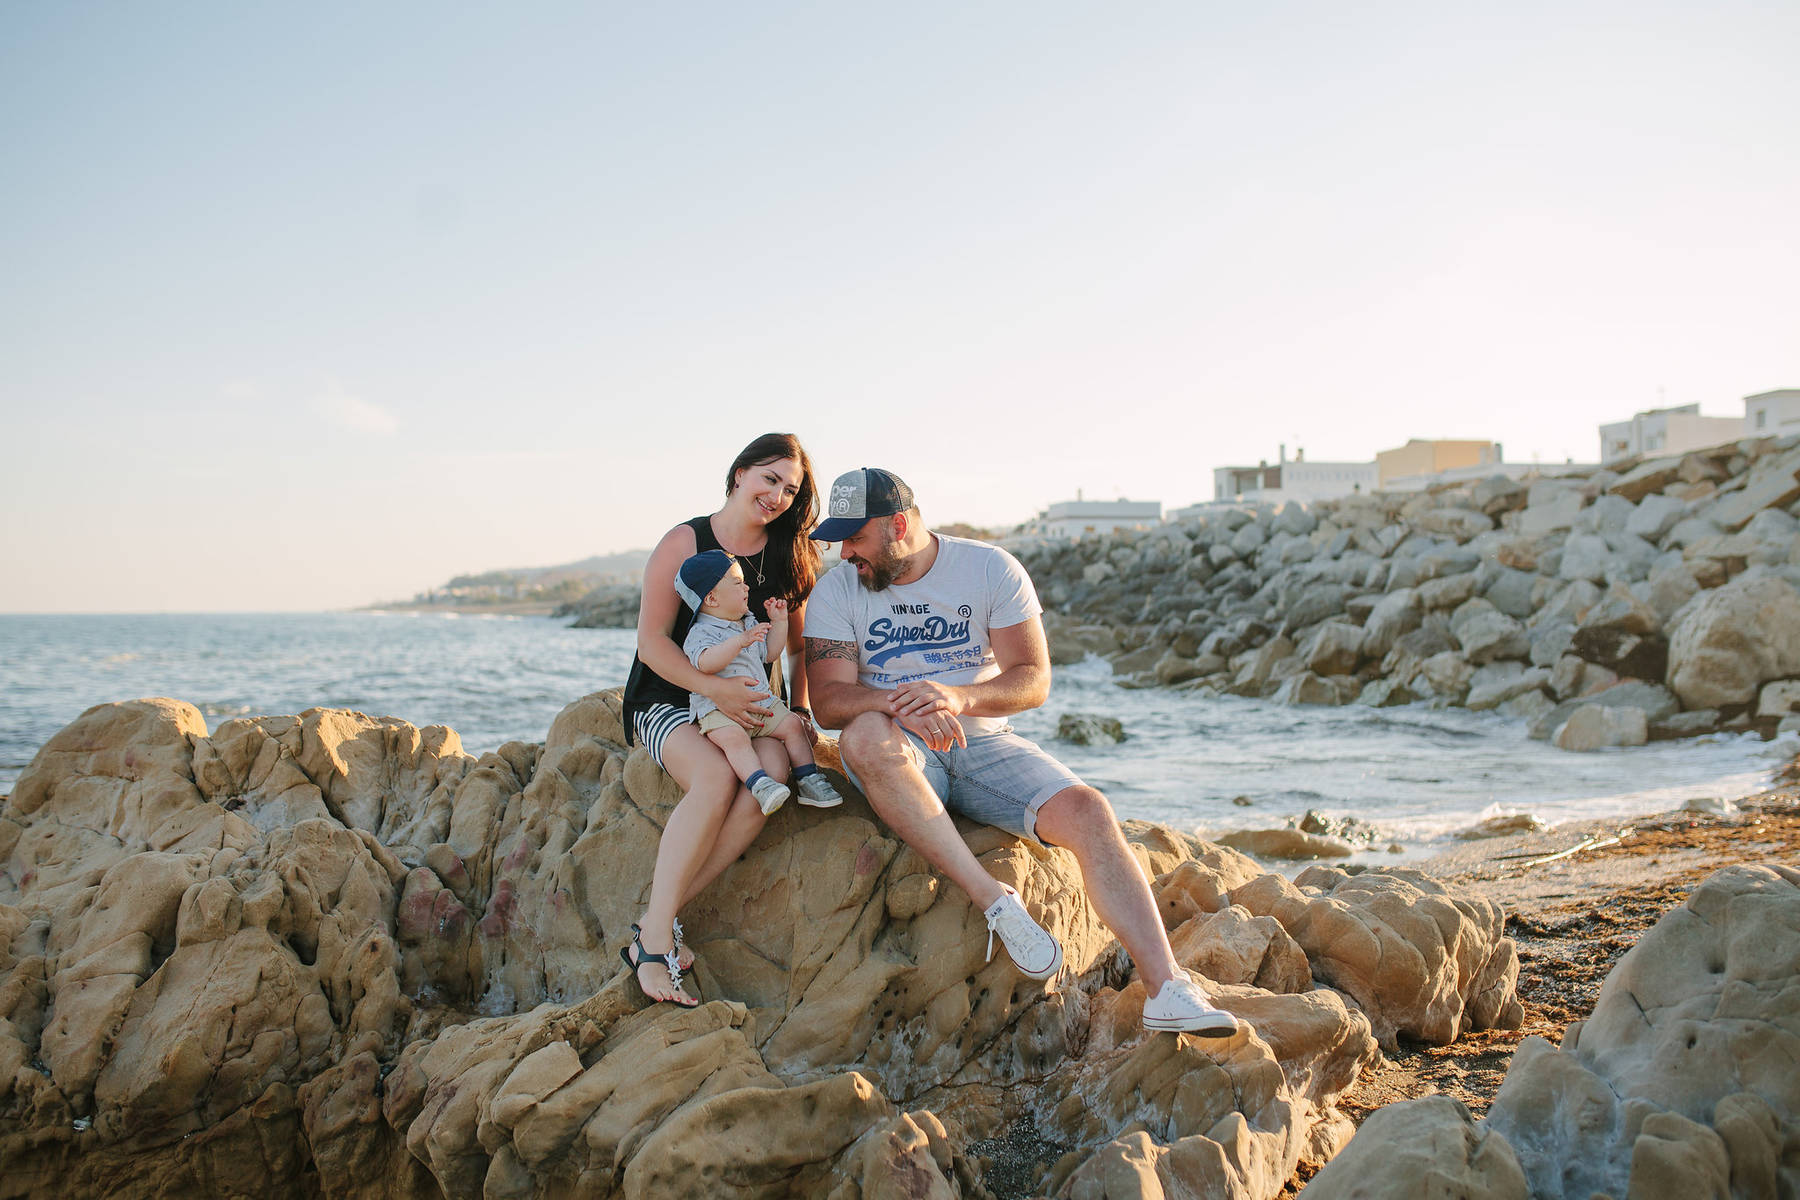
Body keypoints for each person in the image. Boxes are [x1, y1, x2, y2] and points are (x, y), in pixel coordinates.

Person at [804, 467, 1238, 1036]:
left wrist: (957, 696)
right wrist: (900, 702)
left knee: (1089, 809)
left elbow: (1033, 679)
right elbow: (830, 703)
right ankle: (994, 901)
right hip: (898, 747)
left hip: (985, 744)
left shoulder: (989, 570)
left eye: (854, 539)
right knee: (861, 737)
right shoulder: (839, 590)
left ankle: (1168, 990)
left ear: (898, 526)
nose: (843, 554)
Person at [618, 433, 824, 1007]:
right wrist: (715, 691)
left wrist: (800, 710)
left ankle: (655, 920)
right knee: (715, 778)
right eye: (769, 478)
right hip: (668, 696)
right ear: (740, 474)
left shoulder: (789, 553)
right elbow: (653, 643)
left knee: (771, 780)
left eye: (791, 488)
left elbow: (799, 649)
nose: (778, 495)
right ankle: (656, 943)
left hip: (755, 704)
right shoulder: (685, 542)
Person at [676, 549, 844, 814]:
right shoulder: (700, 632)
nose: (747, 587)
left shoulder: (747, 622)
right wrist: (739, 642)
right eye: (738, 582)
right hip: (720, 711)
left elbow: (770, 653)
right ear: (712, 597)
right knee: (733, 739)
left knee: (792, 724)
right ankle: (760, 784)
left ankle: (808, 778)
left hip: (761, 703)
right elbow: (705, 663)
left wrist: (779, 622)